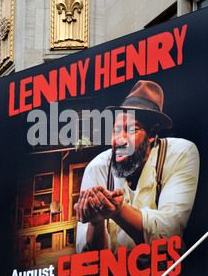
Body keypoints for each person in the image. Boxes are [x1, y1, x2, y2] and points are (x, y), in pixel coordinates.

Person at [75, 80, 200, 256]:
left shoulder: (180, 153)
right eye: (117, 129)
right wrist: (95, 223)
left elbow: (169, 234)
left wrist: (119, 212)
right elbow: (89, 257)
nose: (120, 139)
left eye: (132, 129)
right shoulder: (97, 168)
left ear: (152, 133)